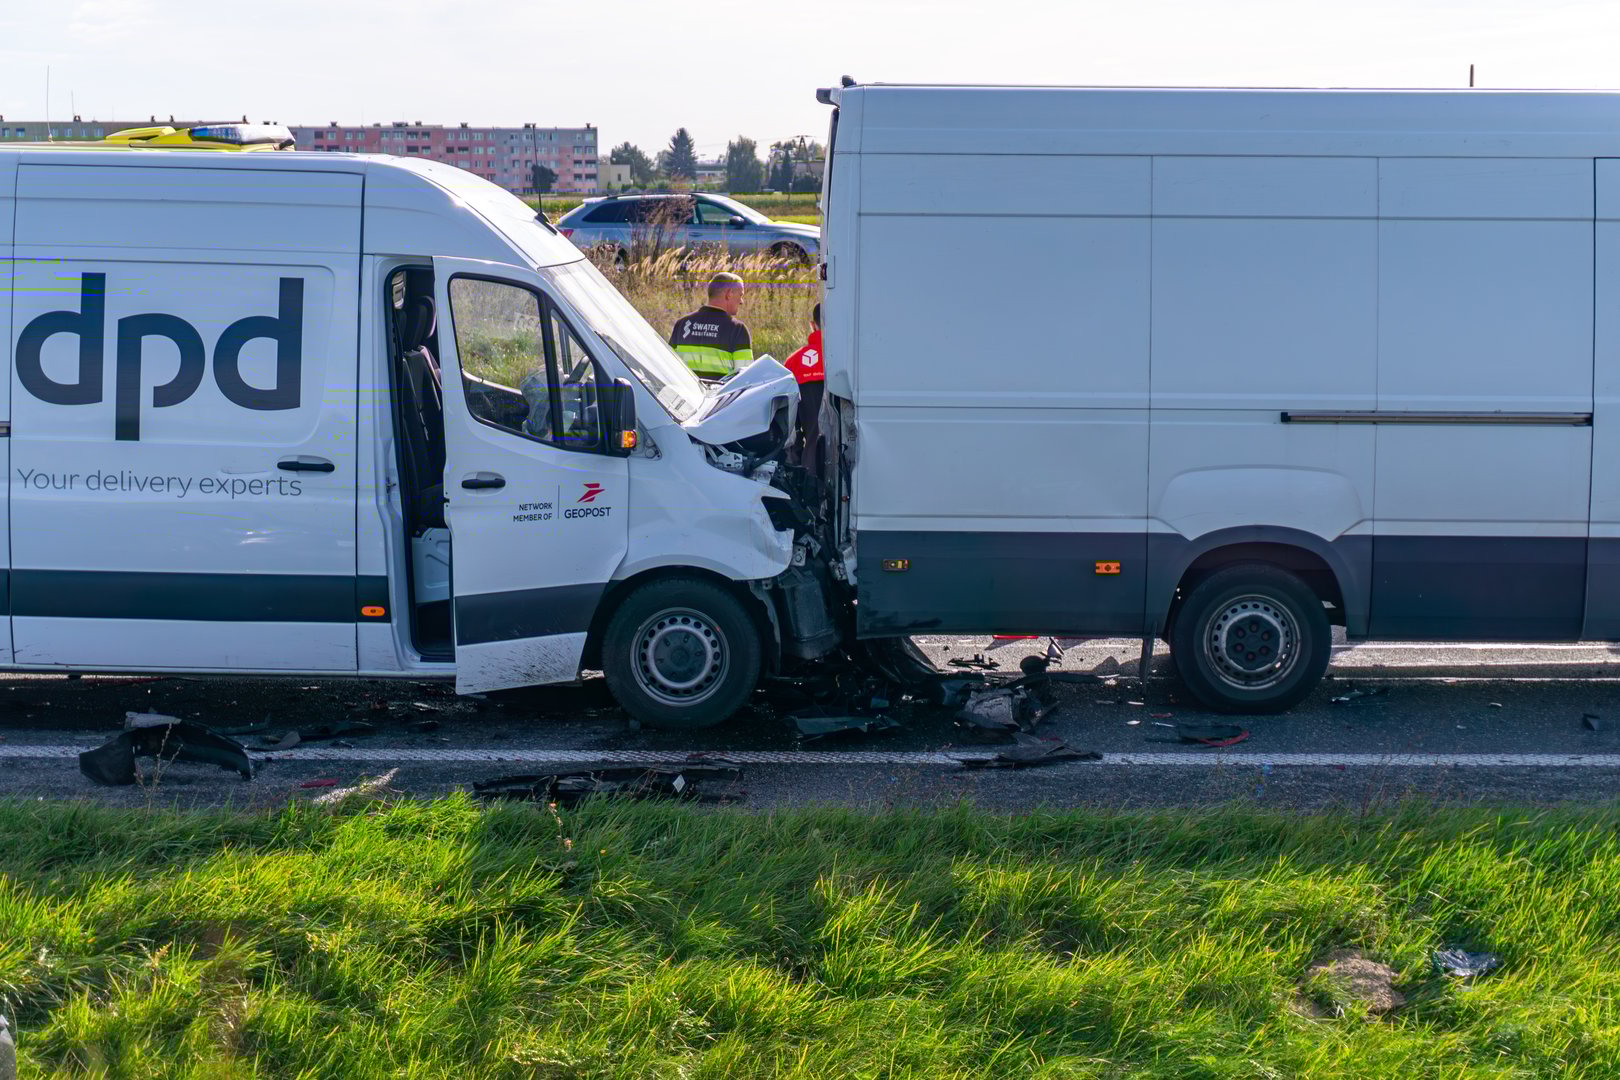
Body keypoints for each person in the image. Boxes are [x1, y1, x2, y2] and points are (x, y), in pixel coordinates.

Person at [671, 271, 753, 380]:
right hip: (720, 397)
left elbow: (669, 367)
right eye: (740, 295)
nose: (741, 301)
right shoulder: (737, 329)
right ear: (728, 294)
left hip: (686, 395)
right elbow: (745, 378)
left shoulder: (681, 324)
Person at [784, 303, 824, 468]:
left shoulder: (792, 361)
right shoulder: (848, 361)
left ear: (812, 325)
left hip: (808, 467)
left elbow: (790, 426)